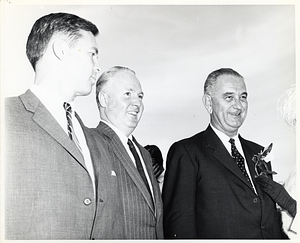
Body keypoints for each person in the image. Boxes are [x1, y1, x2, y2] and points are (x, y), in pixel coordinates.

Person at [4, 12, 123, 240]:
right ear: (61, 50)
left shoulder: (96, 140)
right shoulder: (6, 117)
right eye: (92, 54)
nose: (98, 67)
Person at [162, 68, 285, 239]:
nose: (238, 105)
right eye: (229, 97)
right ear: (208, 103)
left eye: (243, 97)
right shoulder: (187, 153)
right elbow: (180, 227)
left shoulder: (259, 153)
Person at [93, 66, 164, 239]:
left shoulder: (145, 155)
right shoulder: (91, 144)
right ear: (104, 99)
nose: (137, 103)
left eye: (140, 96)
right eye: (128, 94)